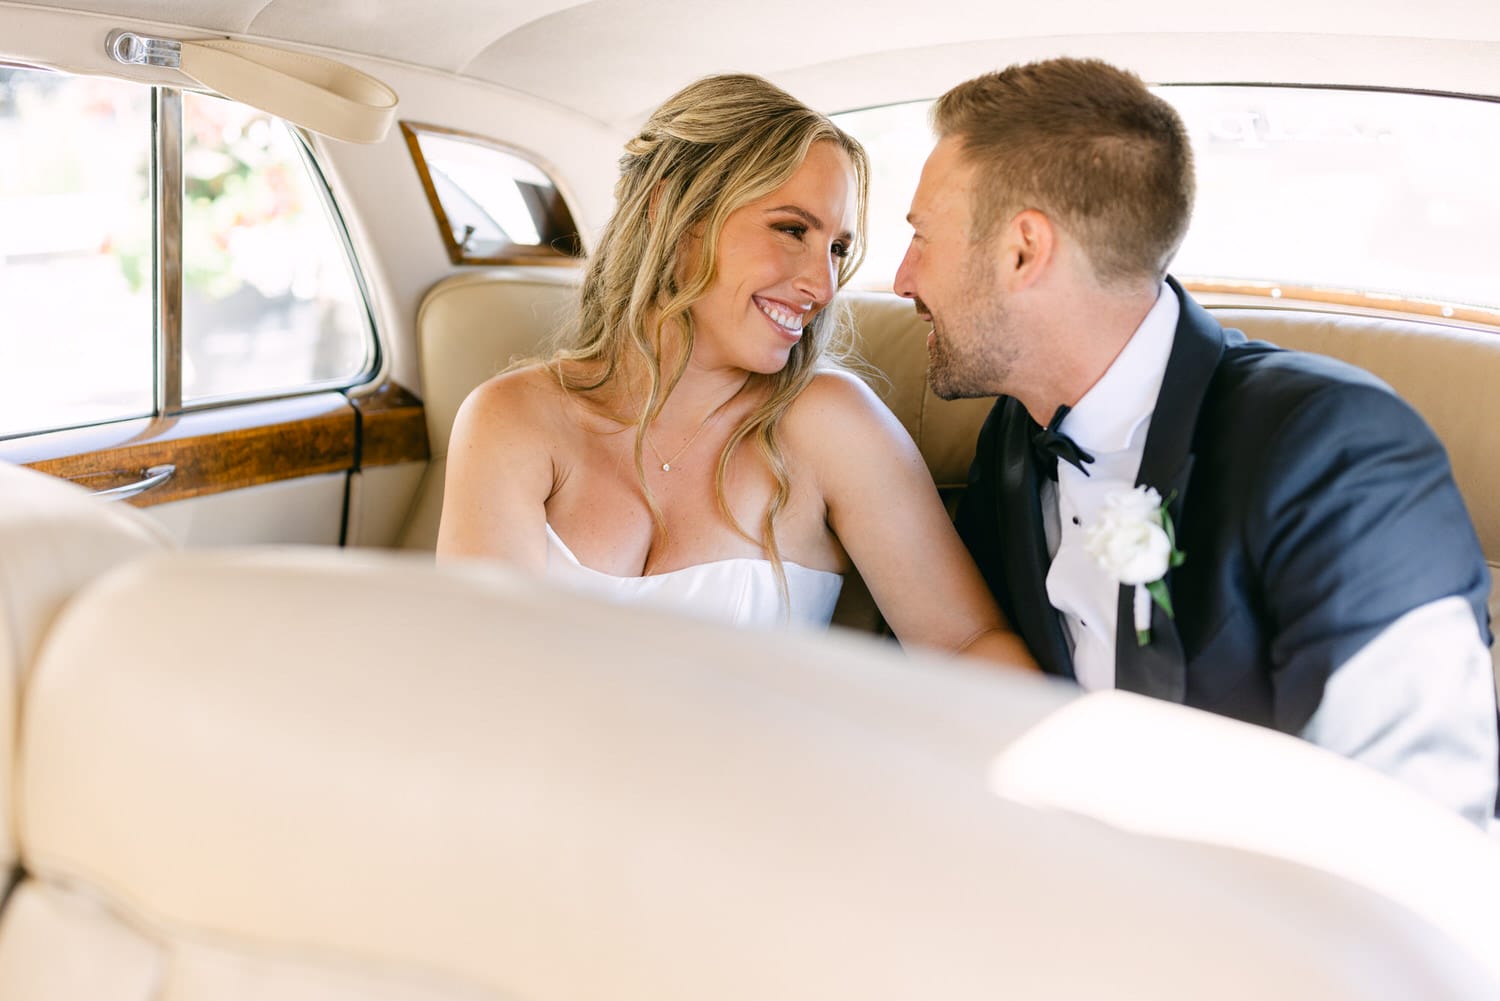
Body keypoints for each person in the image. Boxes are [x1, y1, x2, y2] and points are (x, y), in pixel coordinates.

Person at [894, 56, 1498, 823]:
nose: (904, 277)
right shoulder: (1015, 433)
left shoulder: (1338, 448)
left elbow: (1410, 819)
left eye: (922, 238)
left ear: (1023, 250)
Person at [437, 73, 1035, 669]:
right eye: (792, 229)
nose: (822, 286)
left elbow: (966, 643)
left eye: (837, 249)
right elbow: (476, 673)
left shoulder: (831, 424)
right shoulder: (511, 419)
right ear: (671, 212)